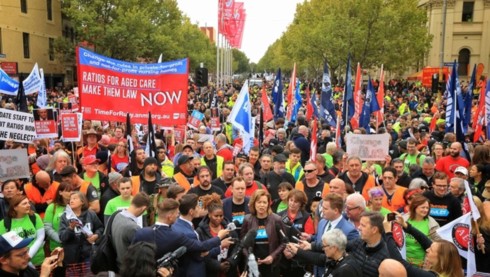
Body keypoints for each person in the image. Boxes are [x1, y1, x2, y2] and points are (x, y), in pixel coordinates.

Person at [132, 198, 230, 267]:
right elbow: (201, 246)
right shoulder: (176, 236)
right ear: (170, 216)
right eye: (176, 214)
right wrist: (218, 238)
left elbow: (131, 258)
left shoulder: (141, 232)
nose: (178, 216)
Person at [384, 214, 464, 277]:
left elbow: (401, 263)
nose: (427, 250)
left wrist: (388, 233)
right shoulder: (451, 271)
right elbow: (425, 241)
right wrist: (406, 225)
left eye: (431, 250)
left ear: (441, 258)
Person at [240, 189, 286, 277]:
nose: (262, 205)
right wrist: (250, 258)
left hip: (272, 266)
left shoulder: (276, 219)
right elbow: (242, 244)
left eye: (264, 202)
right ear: (254, 203)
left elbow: (284, 242)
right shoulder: (247, 219)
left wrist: (272, 256)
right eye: (259, 202)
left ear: (268, 204)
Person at [59, 191, 104, 276]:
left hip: (88, 256)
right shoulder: (65, 217)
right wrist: (70, 228)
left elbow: (100, 228)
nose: (71, 201)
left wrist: (96, 235)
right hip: (71, 258)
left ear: (82, 202)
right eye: (70, 199)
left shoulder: (91, 214)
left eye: (75, 198)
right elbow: (62, 237)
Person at [286, 229, 362, 277]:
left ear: (334, 248)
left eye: (324, 246)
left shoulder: (346, 271)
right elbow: (317, 258)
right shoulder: (336, 258)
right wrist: (297, 251)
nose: (323, 248)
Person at [196, 194, 238, 277]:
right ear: (209, 215)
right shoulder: (200, 231)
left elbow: (237, 247)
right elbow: (201, 254)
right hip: (210, 272)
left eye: (221, 216)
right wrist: (218, 266)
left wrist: (230, 262)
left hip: (229, 272)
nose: (219, 218)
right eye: (216, 216)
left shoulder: (229, 228)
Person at [0, 195, 45, 267]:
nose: (28, 205)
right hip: (17, 263)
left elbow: (41, 237)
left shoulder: (34, 217)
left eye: (28, 203)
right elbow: (5, 245)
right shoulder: (4, 223)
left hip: (37, 260)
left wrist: (29, 255)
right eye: (24, 204)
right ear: (15, 207)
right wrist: (23, 259)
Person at [111, 192, 150, 271]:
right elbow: (139, 253)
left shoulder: (117, 215)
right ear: (143, 208)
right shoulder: (133, 228)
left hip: (117, 264)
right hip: (128, 269)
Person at [279, 189, 314, 277]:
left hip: (299, 258)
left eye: (296, 201)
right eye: (291, 200)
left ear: (301, 204)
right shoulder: (279, 215)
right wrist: (284, 250)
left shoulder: (306, 217)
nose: (292, 203)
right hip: (282, 256)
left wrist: (295, 251)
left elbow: (309, 238)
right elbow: (275, 236)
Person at [401, 195, 440, 267]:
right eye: (423, 207)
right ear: (414, 207)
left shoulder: (433, 224)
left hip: (424, 264)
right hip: (403, 262)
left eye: (427, 208)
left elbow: (438, 245)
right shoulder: (403, 220)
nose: (425, 210)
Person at [44, 182, 72, 277]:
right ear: (60, 192)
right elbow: (47, 227)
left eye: (72, 190)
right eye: (68, 191)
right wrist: (60, 238)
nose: (71, 193)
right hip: (57, 249)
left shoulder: (74, 205)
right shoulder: (52, 207)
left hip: (73, 248)